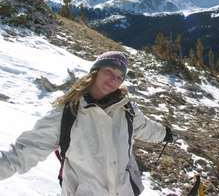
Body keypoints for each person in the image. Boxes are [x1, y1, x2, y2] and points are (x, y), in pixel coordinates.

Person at [0, 51, 175, 196]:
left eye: (120, 77)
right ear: (95, 72)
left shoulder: (127, 109)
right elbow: (24, 151)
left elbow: (145, 127)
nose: (114, 80)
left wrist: (165, 134)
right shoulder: (67, 113)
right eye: (109, 71)